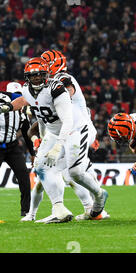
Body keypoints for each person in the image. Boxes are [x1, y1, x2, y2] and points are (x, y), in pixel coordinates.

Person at [1, 57, 108, 223]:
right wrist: (8, 107)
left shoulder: (57, 88)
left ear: (47, 74)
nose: (36, 78)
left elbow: (67, 121)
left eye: (40, 75)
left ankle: (99, 196)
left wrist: (57, 146)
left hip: (74, 130)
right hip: (54, 131)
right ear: (27, 76)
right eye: (33, 75)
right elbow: (24, 99)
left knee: (75, 173)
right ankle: (59, 209)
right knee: (41, 168)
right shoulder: (27, 88)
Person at [0, 82, 35, 217]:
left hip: (12, 146)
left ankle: (26, 212)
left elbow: (27, 133)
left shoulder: (22, 112)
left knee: (24, 178)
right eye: (17, 95)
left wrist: (32, 154)